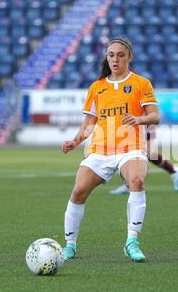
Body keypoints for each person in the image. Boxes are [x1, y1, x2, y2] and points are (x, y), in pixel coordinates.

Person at [60, 37, 160, 262]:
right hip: (100, 150)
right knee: (78, 191)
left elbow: (155, 115)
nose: (115, 59)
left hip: (131, 147)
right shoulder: (97, 87)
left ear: (129, 57)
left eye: (120, 55)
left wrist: (139, 119)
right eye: (111, 55)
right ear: (107, 57)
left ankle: (131, 242)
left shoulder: (141, 83)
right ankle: (70, 245)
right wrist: (74, 142)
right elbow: (89, 124)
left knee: (136, 181)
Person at [108, 124, 178, 195]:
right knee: (126, 153)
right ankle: (128, 185)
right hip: (131, 127)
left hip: (145, 126)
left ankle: (173, 171)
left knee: (148, 154)